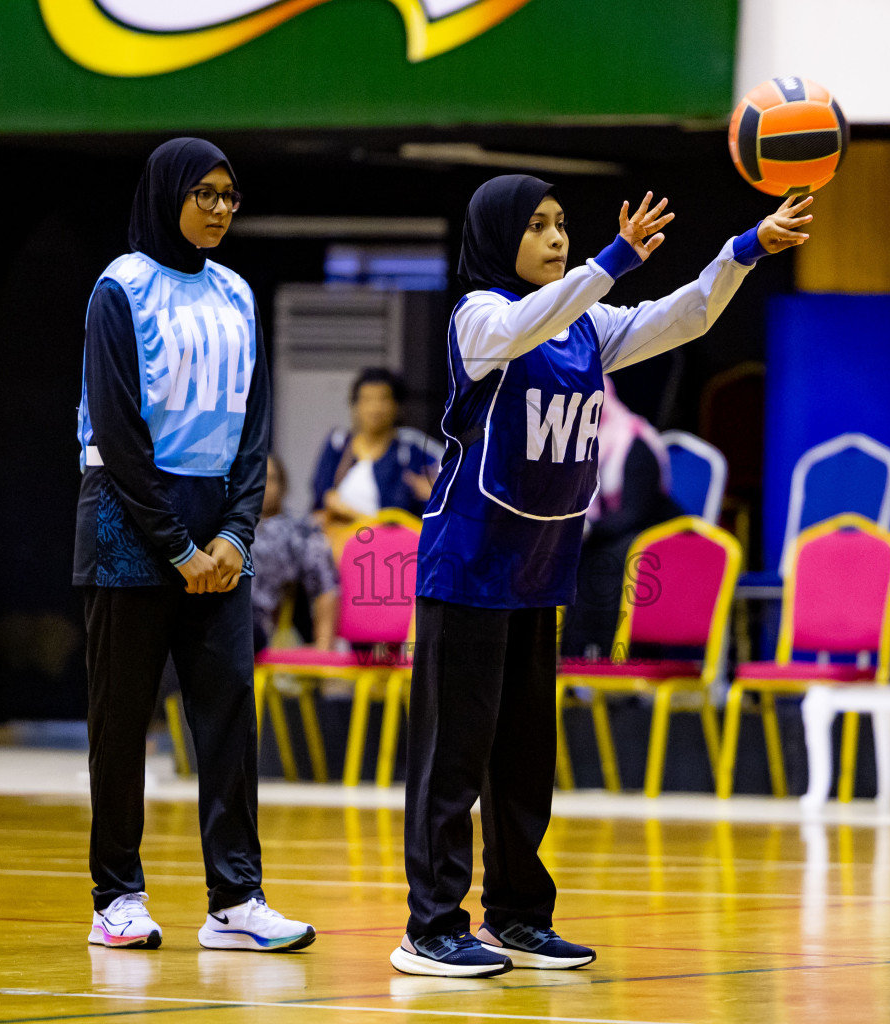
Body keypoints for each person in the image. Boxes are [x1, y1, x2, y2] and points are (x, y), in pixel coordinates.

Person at [391, 174, 812, 978]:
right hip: (466, 564)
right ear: (498, 238)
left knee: (523, 760)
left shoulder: (587, 325)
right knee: (453, 758)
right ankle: (431, 926)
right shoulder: (480, 318)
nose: (557, 239)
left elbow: (683, 313)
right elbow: (523, 324)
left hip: (539, 569)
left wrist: (744, 252)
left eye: (562, 225)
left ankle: (517, 915)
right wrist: (610, 260)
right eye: (540, 227)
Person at [73, 137, 313, 953]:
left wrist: (238, 534)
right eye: (203, 193)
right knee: (122, 718)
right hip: (128, 511)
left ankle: (235, 900)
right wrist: (179, 548)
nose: (218, 208)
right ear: (168, 194)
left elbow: (254, 429)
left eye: (229, 195)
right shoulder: (121, 287)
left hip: (218, 522)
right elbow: (118, 426)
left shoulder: (239, 293)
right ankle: (117, 896)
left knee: (227, 719)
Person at [560, 374, 681, 658]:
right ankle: (573, 660)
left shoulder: (634, 442)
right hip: (612, 533)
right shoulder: (583, 447)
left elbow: (636, 512)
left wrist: (589, 528)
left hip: (651, 533)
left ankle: (614, 657)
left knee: (608, 560)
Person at [312, 367, 437, 529]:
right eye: (367, 400)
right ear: (355, 406)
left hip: (390, 547)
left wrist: (352, 514)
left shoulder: (410, 451)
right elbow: (321, 500)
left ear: (397, 406)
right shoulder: (338, 444)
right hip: (338, 543)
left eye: (383, 399)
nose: (375, 408)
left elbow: (408, 509)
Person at [251, 454, 339, 652]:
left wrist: (323, 649)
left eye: (271, 479)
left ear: (283, 485)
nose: (263, 485)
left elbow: (325, 587)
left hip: (259, 626)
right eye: (256, 478)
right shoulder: (229, 531)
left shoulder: (300, 532)